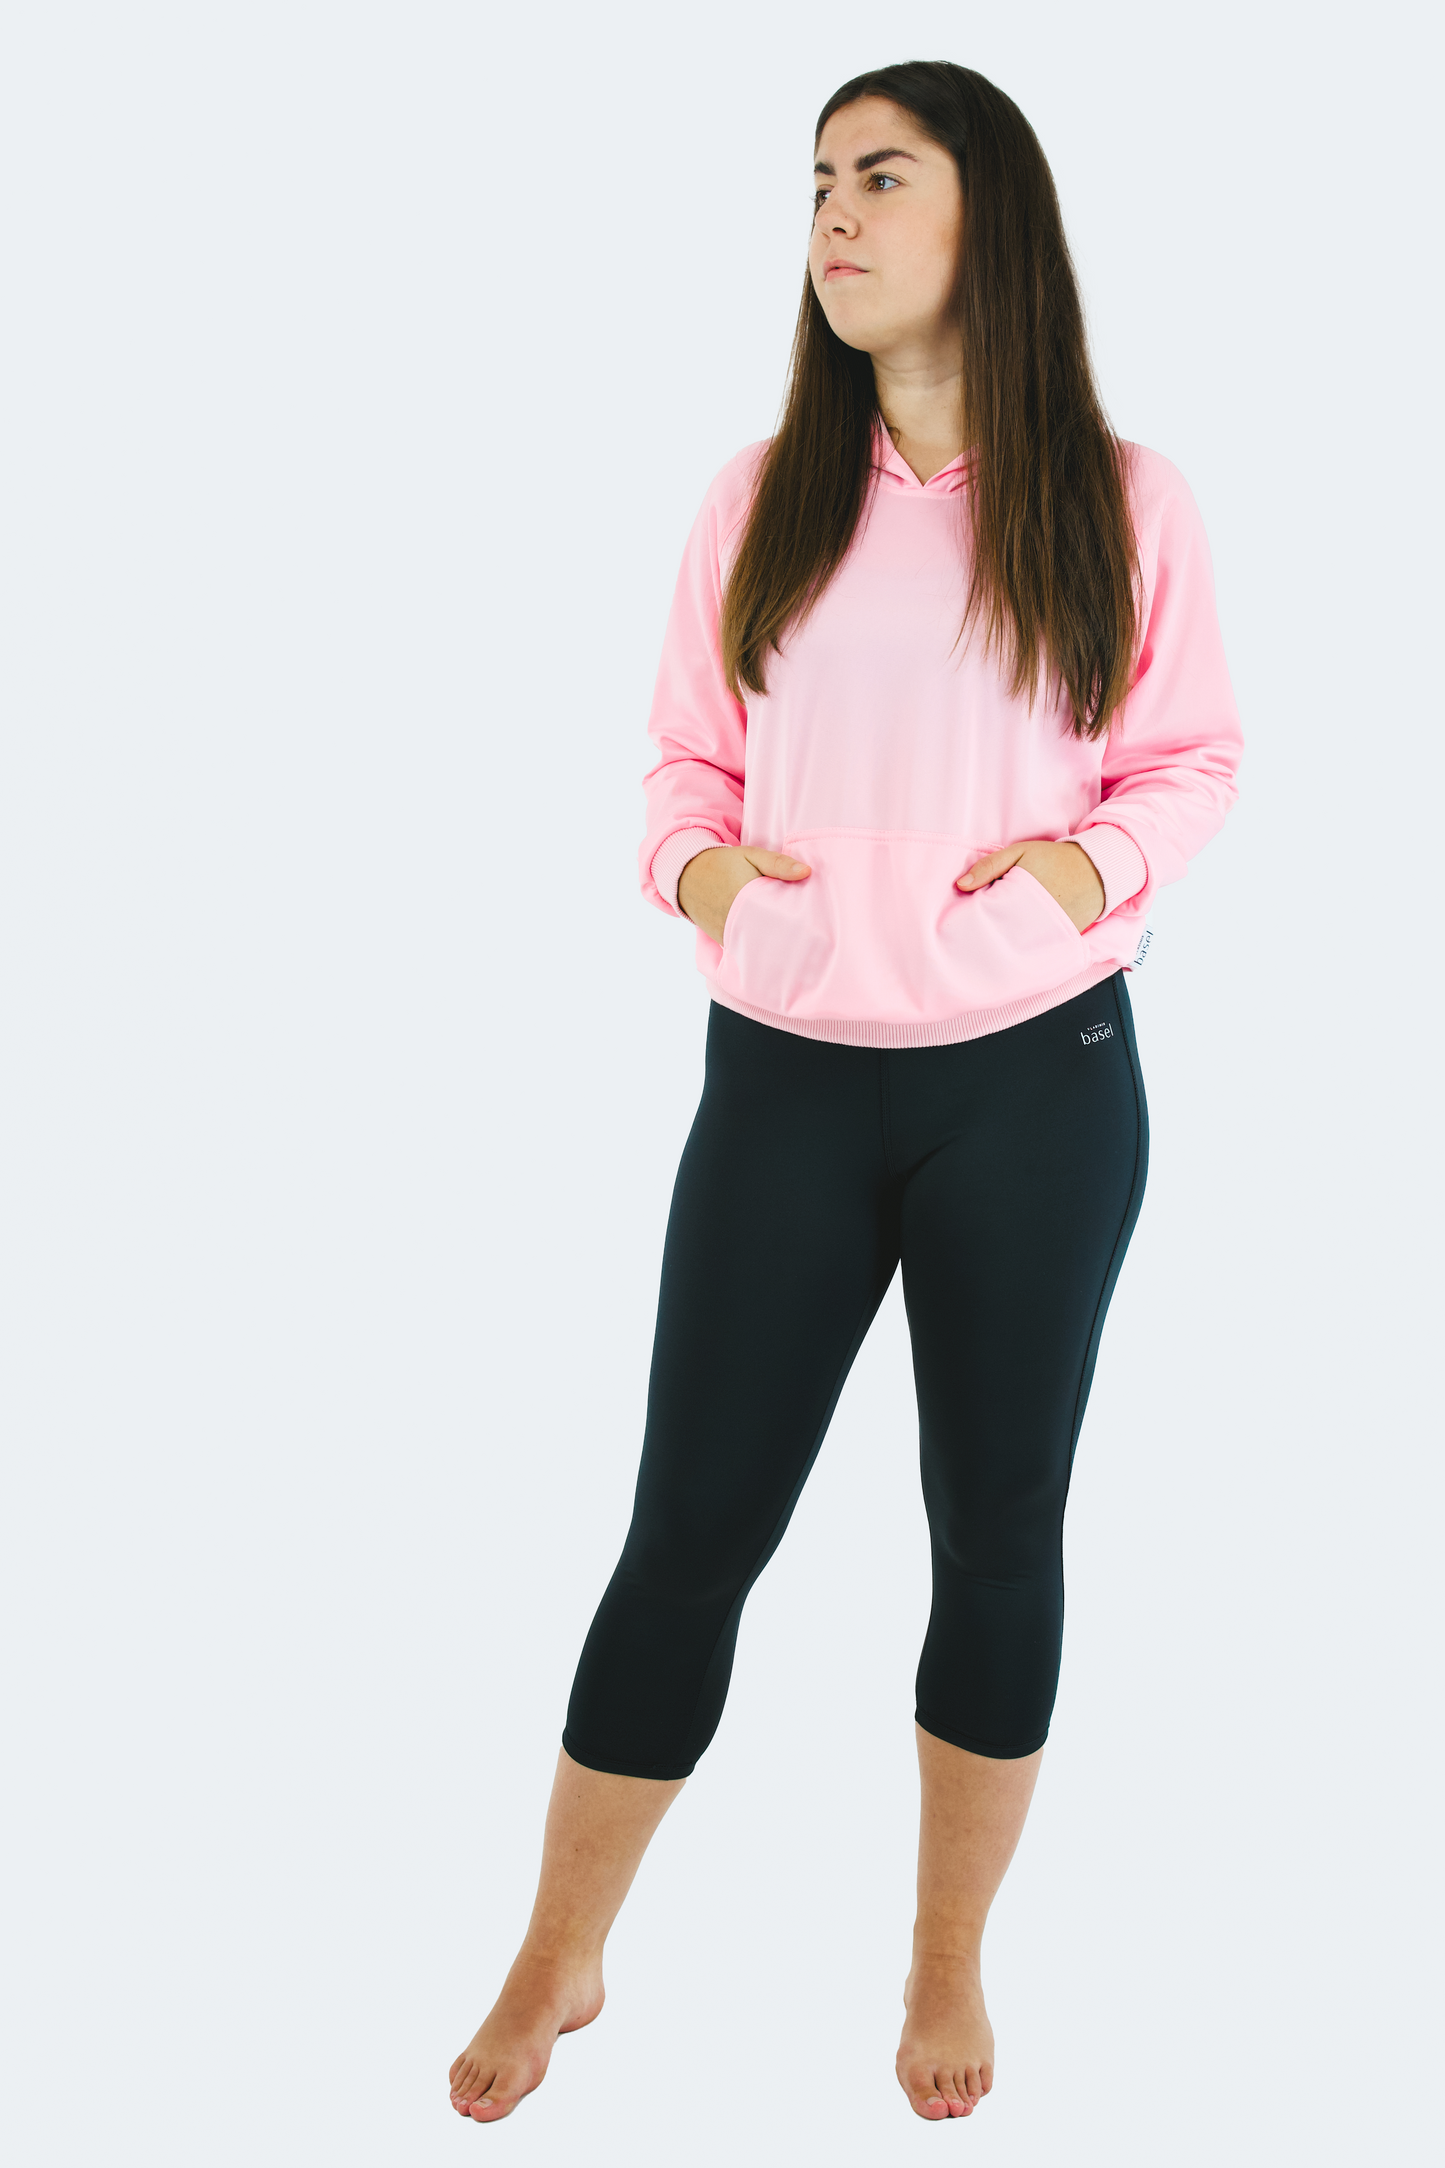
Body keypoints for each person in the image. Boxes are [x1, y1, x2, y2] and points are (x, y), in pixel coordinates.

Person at [449, 59, 1241, 2125]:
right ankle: (559, 1948)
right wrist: (705, 877)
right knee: (686, 1531)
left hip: (1035, 1091)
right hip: (783, 1088)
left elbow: (1188, 759)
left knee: (996, 1536)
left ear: (991, 217)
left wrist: (1087, 870)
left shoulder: (1123, 498)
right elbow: (677, 763)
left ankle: (943, 1953)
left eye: (880, 176)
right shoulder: (759, 495)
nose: (834, 214)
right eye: (818, 180)